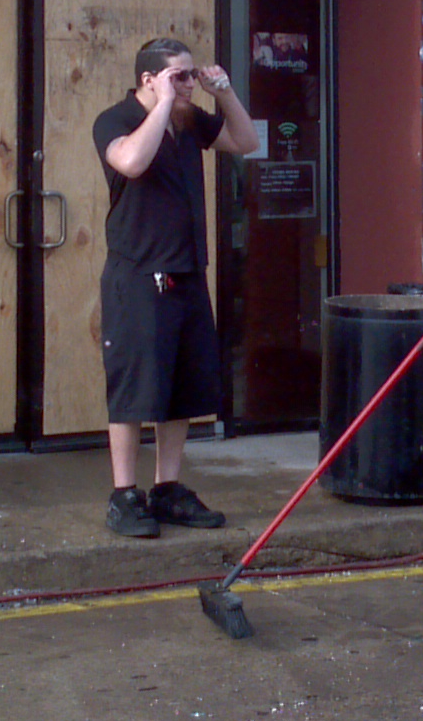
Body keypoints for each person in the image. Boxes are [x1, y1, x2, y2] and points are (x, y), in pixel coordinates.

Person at [93, 36, 257, 538]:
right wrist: (164, 104)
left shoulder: (189, 120)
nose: (190, 83)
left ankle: (167, 489)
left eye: (191, 75)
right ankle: (125, 495)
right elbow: (131, 163)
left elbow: (245, 142)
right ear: (149, 79)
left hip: (187, 272)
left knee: (183, 388)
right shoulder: (116, 119)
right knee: (133, 388)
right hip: (138, 276)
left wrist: (224, 93)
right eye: (180, 76)